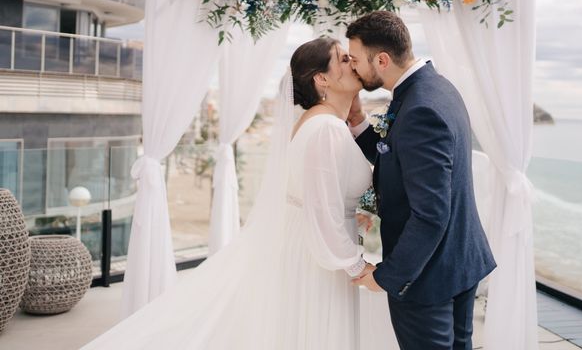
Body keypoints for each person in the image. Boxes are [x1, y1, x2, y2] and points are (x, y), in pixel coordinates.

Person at [80, 37, 376, 349]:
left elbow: (314, 196)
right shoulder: (325, 128)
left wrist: (347, 214)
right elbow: (320, 207)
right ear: (322, 78)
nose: (352, 62)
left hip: (312, 245)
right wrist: (358, 266)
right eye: (343, 58)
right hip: (317, 258)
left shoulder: (325, 123)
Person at [346, 11, 496, 350]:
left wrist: (387, 277)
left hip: (428, 277)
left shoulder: (419, 109)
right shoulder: (435, 87)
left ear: (381, 59)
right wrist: (357, 120)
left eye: (356, 59)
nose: (353, 67)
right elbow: (399, 158)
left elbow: (430, 214)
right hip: (459, 260)